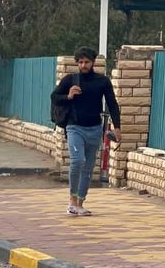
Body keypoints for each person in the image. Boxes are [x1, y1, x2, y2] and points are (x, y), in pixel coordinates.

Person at [51, 47, 121, 216]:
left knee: (88, 167)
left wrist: (117, 127)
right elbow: (54, 97)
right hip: (74, 127)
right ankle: (72, 199)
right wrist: (68, 96)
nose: (83, 65)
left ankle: (80, 203)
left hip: (95, 128)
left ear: (93, 62)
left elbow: (112, 104)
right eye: (80, 62)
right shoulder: (70, 79)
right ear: (77, 63)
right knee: (77, 161)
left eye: (87, 62)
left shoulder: (102, 81)